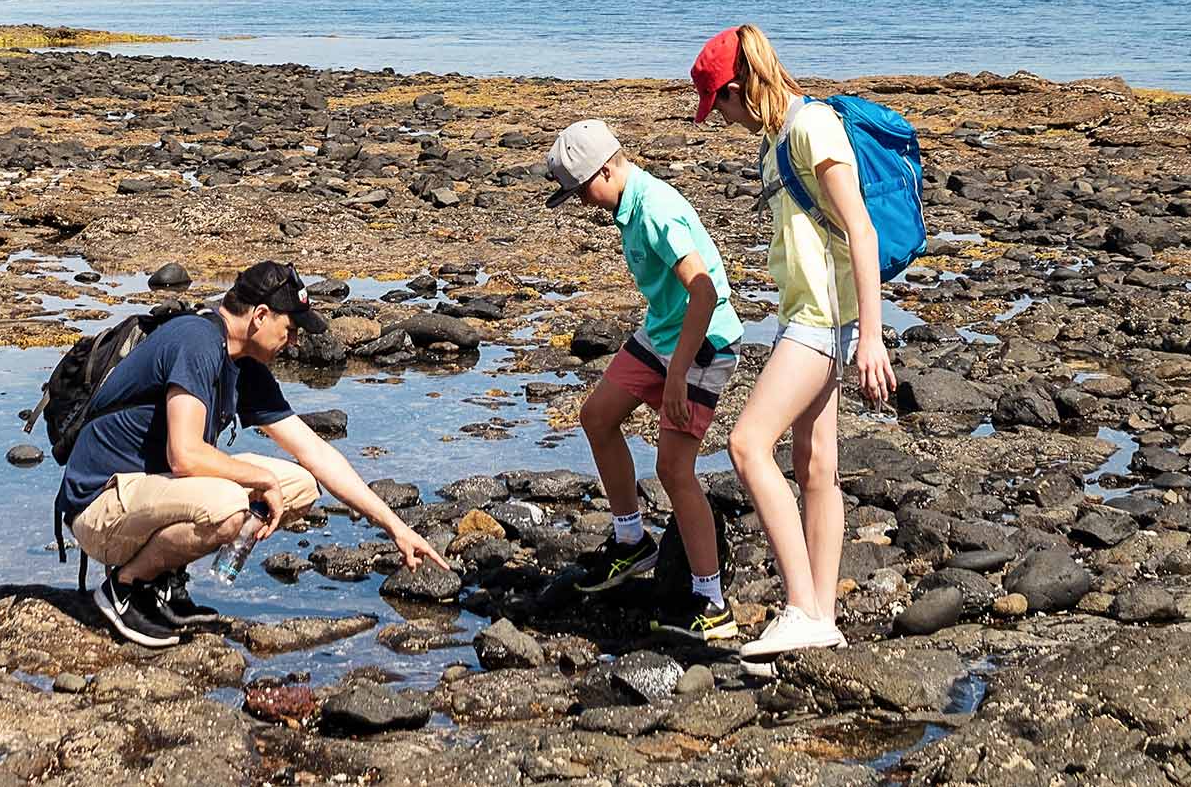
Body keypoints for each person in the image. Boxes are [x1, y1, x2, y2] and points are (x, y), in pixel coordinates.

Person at [57, 260, 452, 648]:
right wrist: (258, 480)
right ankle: (126, 588)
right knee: (230, 504)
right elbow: (185, 456)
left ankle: (165, 578)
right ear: (261, 315)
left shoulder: (243, 365)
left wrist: (395, 526)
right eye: (290, 328)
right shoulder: (196, 342)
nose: (294, 341)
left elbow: (315, 451)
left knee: (298, 485)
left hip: (149, 493)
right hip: (99, 505)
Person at [689, 24, 898, 660]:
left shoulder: (813, 128)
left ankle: (802, 607)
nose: (721, 120)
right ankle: (824, 617)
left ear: (739, 87)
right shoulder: (777, 138)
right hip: (806, 318)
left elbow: (860, 230)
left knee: (747, 444)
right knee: (815, 467)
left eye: (719, 105)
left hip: (822, 324)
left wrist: (871, 336)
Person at [543, 119, 746, 641]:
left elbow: (704, 294)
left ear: (608, 168)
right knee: (597, 417)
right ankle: (632, 541)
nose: (583, 203)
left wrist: (677, 376)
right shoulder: (623, 203)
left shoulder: (656, 209)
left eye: (582, 190)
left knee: (674, 469)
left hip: (703, 343)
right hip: (663, 331)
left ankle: (711, 601)